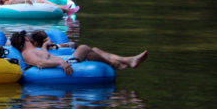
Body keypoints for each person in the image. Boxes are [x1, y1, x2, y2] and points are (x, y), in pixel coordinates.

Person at [10, 30, 148, 75]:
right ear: (26, 39)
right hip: (66, 64)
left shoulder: (32, 50)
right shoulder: (28, 53)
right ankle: (116, 64)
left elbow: (44, 57)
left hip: (65, 61)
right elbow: (40, 63)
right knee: (83, 48)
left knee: (95, 50)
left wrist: (45, 48)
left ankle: (128, 60)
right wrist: (61, 62)